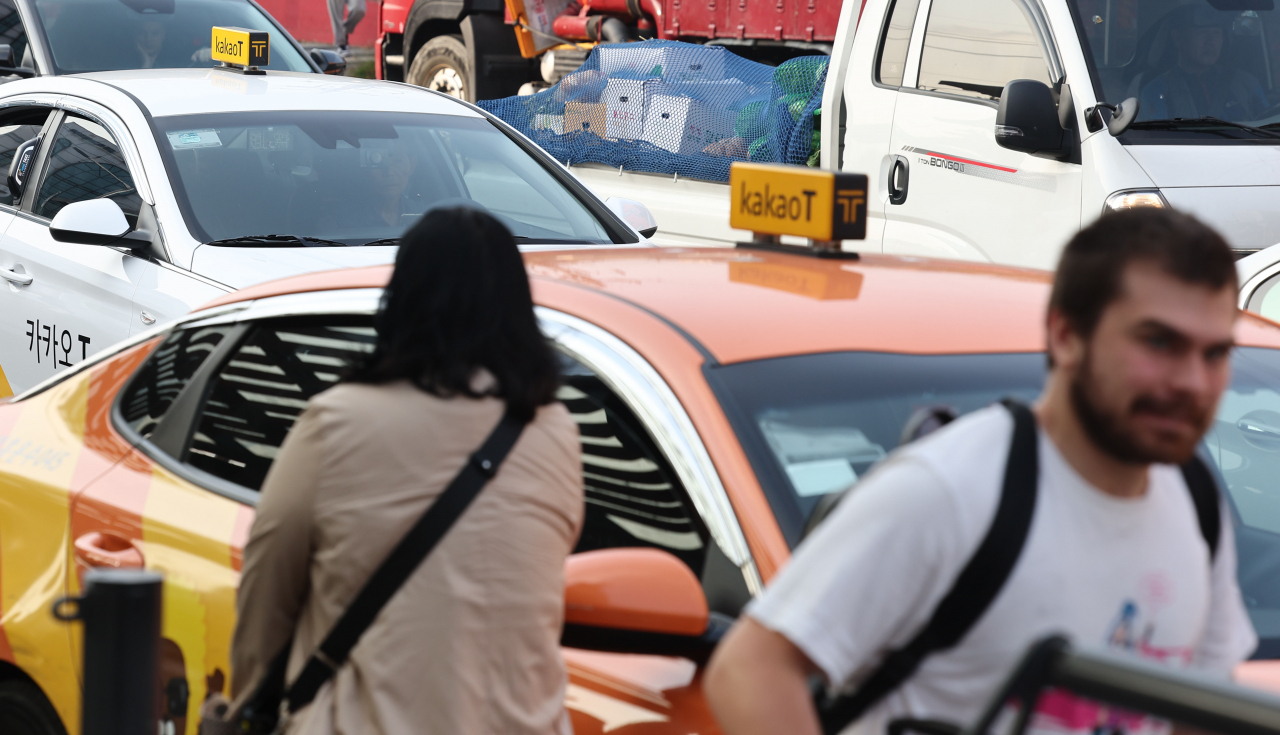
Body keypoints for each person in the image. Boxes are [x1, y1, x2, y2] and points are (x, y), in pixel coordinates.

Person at [703, 208, 1256, 735]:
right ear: (1066, 336)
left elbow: (1198, 709)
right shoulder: (949, 490)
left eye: (1215, 353)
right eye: (1159, 342)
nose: (1192, 382)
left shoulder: (1196, 502)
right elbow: (751, 669)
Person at [228, 206, 584, 734]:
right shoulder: (555, 431)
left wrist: (252, 707)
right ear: (516, 307)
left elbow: (267, 590)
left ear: (403, 300)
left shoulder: (336, 422)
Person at [1140, 6, 1268, 121]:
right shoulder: (1157, 91)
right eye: (1202, 32)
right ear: (1178, 39)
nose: (1210, 41)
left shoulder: (1246, 84)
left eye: (1216, 33)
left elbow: (1268, 125)